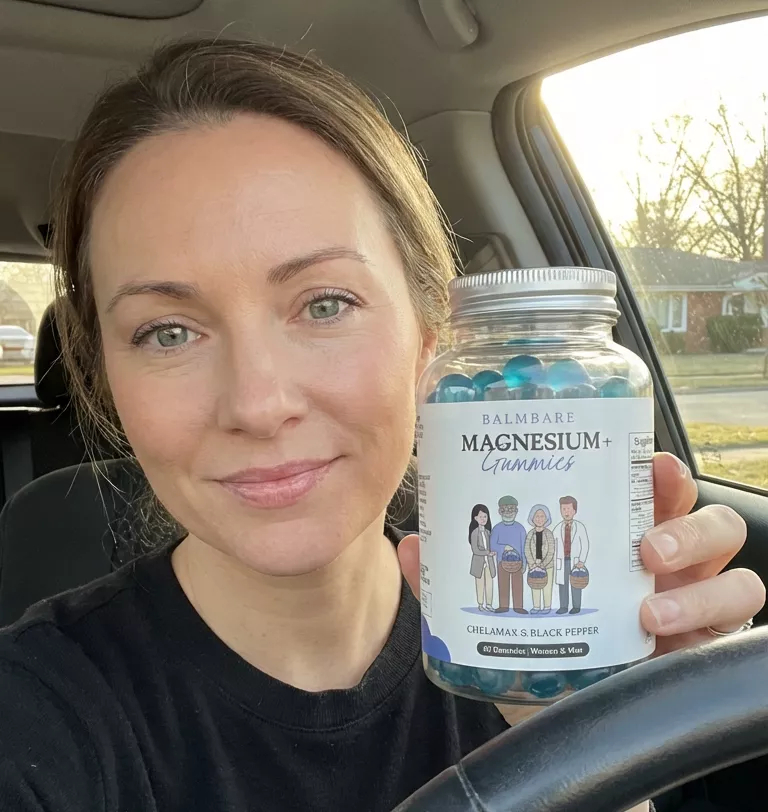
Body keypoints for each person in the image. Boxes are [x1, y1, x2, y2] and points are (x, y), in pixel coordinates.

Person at [0, 38, 762, 812]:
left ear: (431, 339)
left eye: (325, 304)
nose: (258, 404)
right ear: (108, 378)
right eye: (167, 332)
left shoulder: (556, 639)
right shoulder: (31, 718)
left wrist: (591, 729)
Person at [490, 495, 528, 614]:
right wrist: (504, 547)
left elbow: (524, 547)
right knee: (503, 583)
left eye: (511, 509)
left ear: (516, 511)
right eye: (505, 510)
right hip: (502, 562)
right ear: (500, 511)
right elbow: (492, 545)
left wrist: (524, 563)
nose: (508, 513)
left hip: (518, 562)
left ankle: (518, 606)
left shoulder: (520, 529)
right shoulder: (497, 529)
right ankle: (503, 606)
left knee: (518, 584)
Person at [554, 495, 590, 615]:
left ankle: (576, 606)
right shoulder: (557, 528)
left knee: (576, 583)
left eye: (569, 509)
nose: (566, 512)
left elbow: (585, 544)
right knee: (563, 584)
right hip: (562, 560)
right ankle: (563, 606)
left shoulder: (580, 527)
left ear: (574, 511)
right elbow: (553, 545)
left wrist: (582, 560)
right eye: (563, 509)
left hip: (575, 561)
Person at [525, 504, 555, 614]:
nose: (539, 519)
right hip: (533, 566)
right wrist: (532, 563)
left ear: (547, 518)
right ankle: (536, 606)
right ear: (532, 518)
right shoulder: (530, 534)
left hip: (547, 566)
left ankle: (547, 606)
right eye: (536, 516)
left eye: (542, 516)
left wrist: (543, 564)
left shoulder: (549, 533)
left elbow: (551, 550)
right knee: (535, 585)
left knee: (547, 585)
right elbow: (527, 549)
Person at [469, 504, 496, 611]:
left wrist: (493, 552)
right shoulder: (474, 533)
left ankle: (489, 604)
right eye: (481, 517)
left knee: (489, 584)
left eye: (485, 516)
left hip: (488, 563)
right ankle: (480, 604)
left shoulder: (488, 532)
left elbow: (492, 545)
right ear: (475, 518)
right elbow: (475, 550)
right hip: (479, 563)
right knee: (479, 584)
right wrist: (487, 553)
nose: (483, 519)